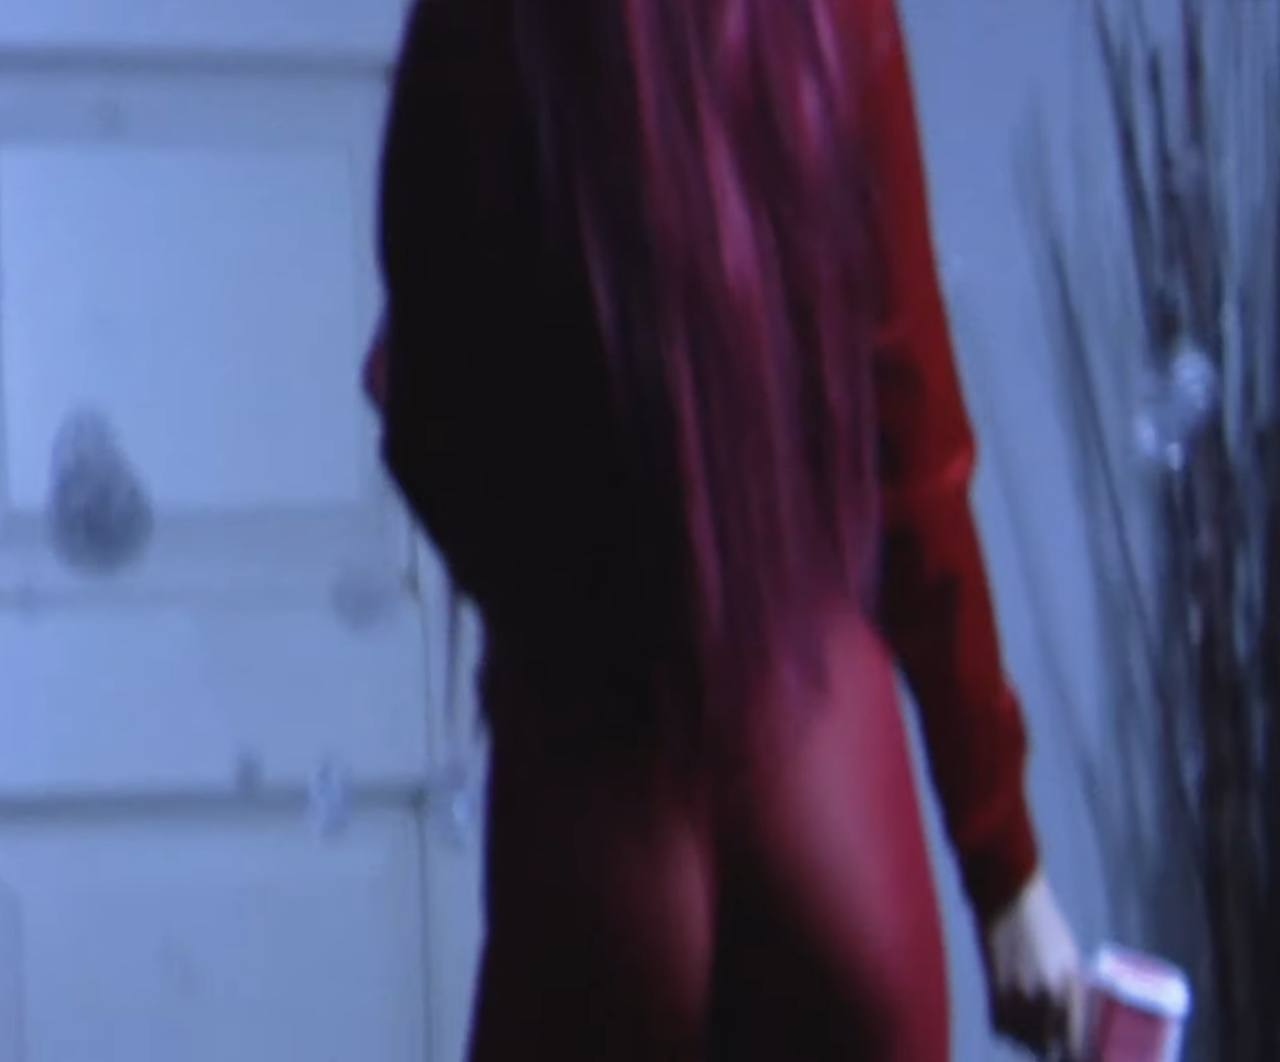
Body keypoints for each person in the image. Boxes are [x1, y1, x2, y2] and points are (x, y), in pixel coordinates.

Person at [366, 0, 1084, 1058]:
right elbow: (918, 463)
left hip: (596, 806)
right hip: (827, 778)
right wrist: (1006, 870)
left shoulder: (481, 26)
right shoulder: (833, 20)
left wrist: (548, 599)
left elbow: (422, 419)